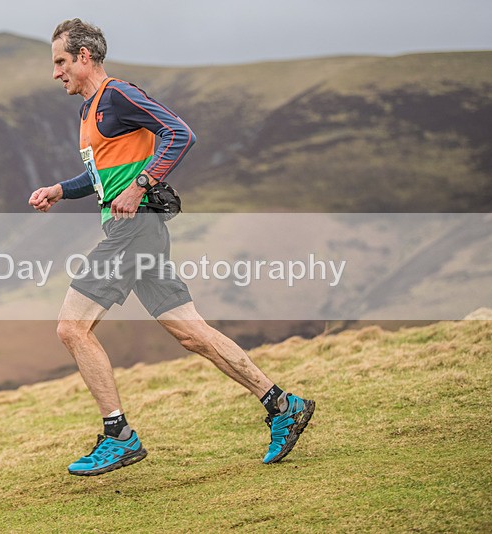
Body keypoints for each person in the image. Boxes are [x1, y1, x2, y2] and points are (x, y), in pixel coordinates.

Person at [29, 18, 315, 476]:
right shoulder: (88, 112)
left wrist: (141, 185)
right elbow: (100, 177)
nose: (55, 72)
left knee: (71, 328)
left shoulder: (118, 95)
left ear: (84, 56)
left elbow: (180, 133)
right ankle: (283, 405)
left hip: (133, 230)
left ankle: (119, 436)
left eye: (61, 61)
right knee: (191, 333)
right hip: (136, 232)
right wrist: (60, 190)